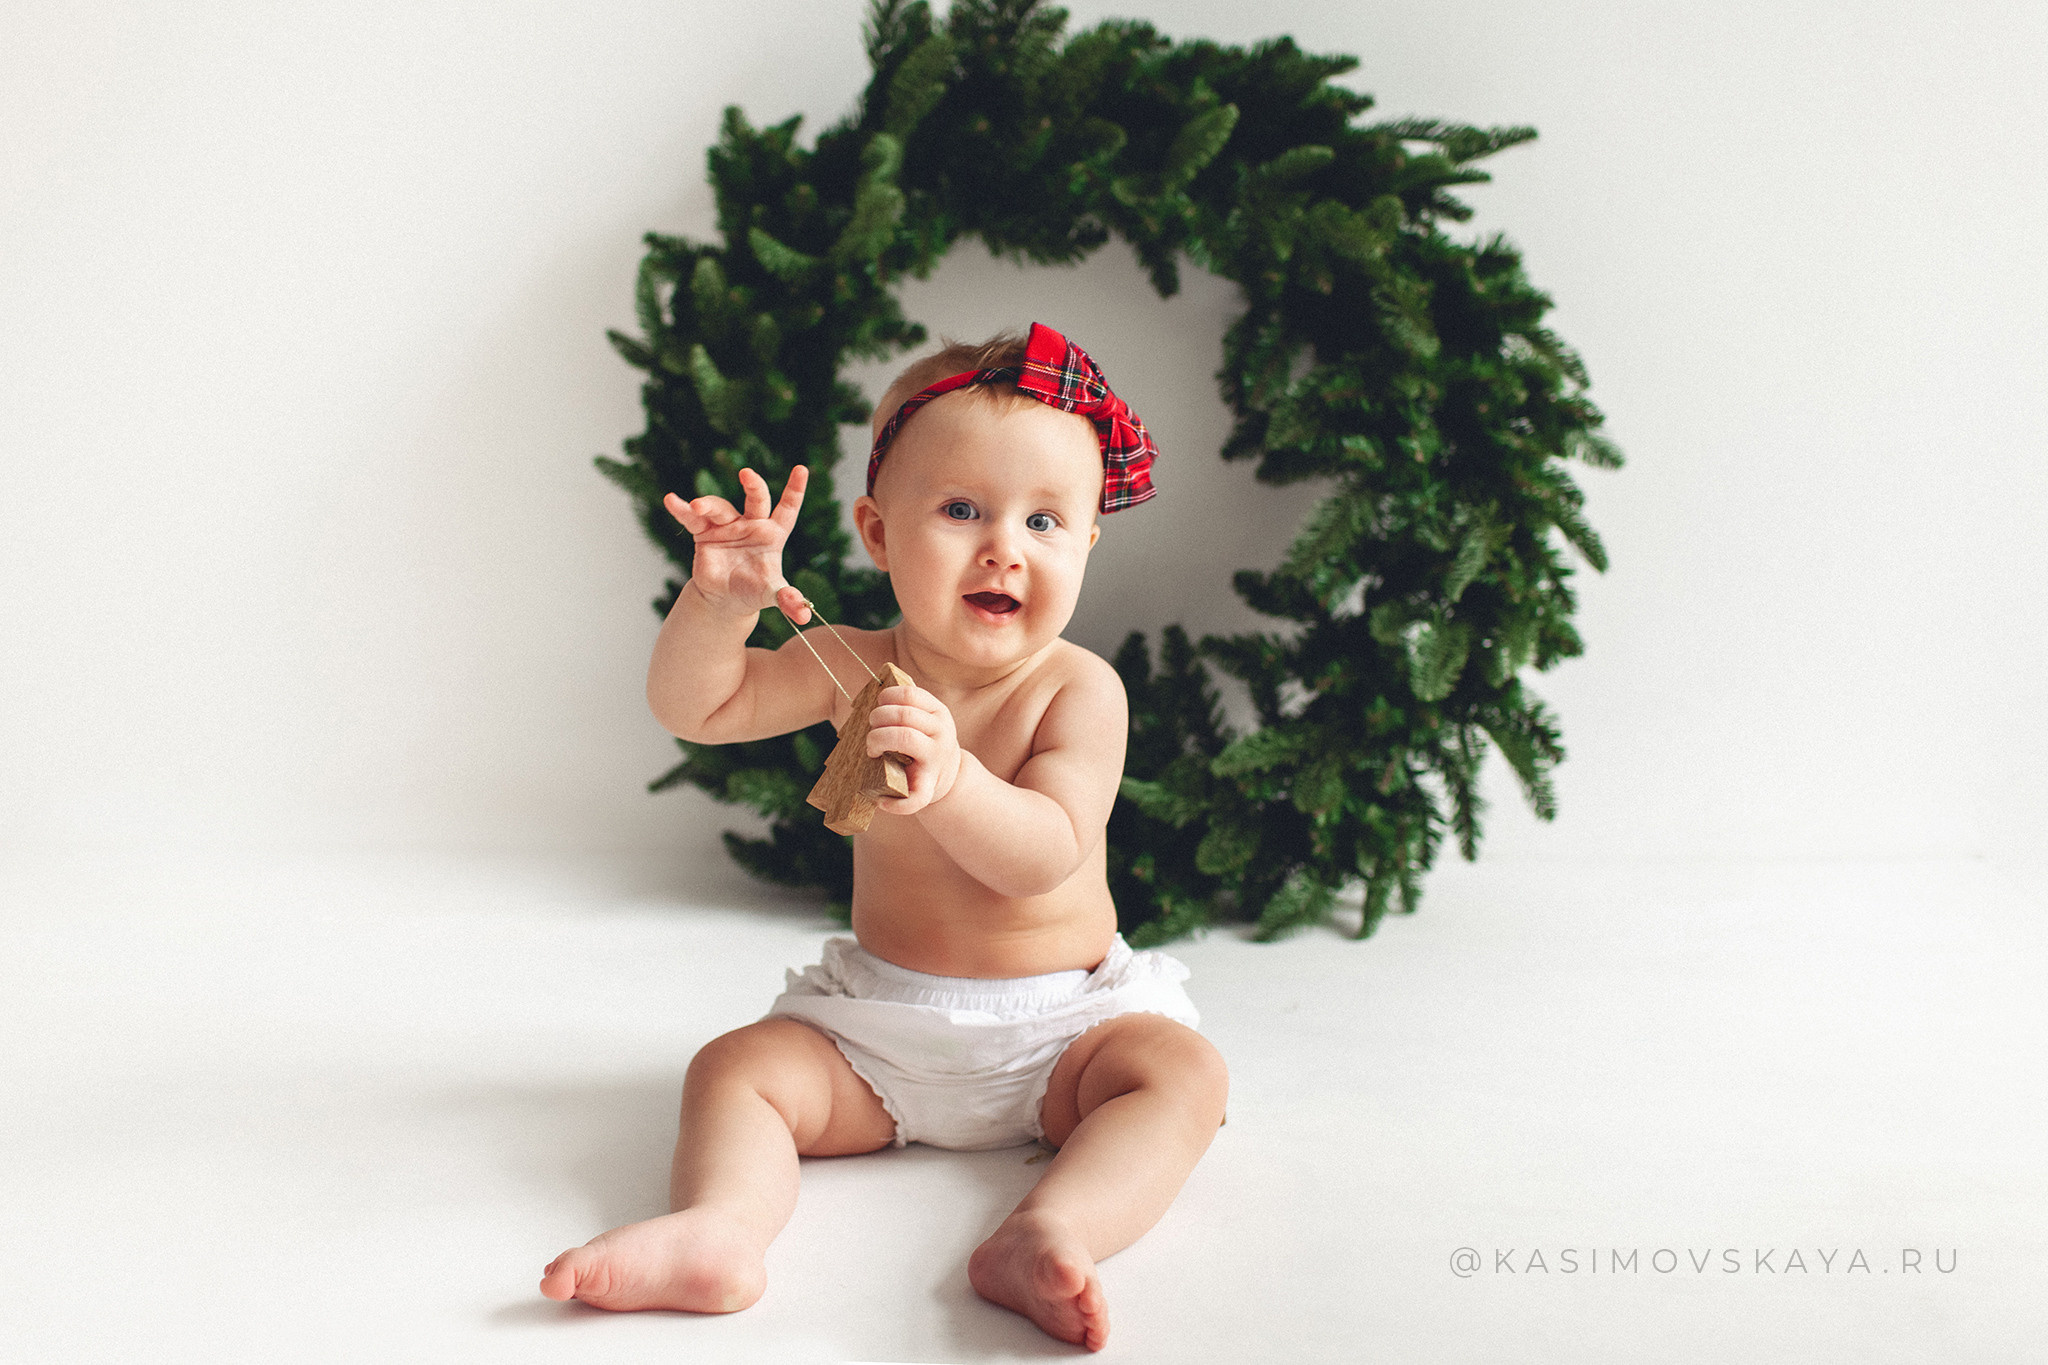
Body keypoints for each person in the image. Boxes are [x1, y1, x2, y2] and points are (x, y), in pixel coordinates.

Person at [539, 323, 1229, 1352]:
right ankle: (719, 1229)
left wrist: (952, 780)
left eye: (1044, 520)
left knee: (1181, 1076)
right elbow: (701, 707)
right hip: (879, 1033)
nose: (1003, 547)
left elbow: (1045, 851)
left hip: (1063, 1031)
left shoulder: (1077, 690)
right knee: (734, 1069)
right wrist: (718, 606)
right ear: (877, 531)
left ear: (1086, 541)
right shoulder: (850, 663)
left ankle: (1050, 1229)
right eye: (961, 510)